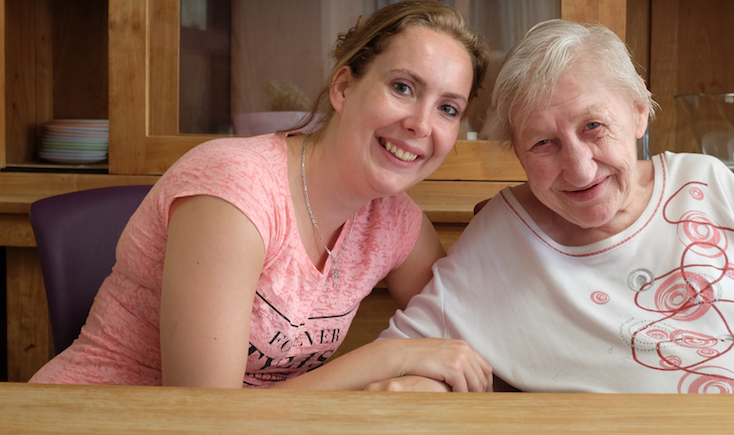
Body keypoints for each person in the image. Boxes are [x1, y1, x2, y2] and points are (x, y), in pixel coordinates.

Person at [376, 19, 734, 394]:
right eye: (542, 143)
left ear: (638, 115)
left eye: (594, 127)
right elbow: (404, 357)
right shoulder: (499, 239)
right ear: (516, 152)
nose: (580, 168)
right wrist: (423, 386)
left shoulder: (705, 180)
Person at [29, 0, 494, 392]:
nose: (421, 124)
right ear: (344, 87)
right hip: (96, 415)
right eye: (402, 87)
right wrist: (387, 360)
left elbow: (472, 342)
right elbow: (208, 415)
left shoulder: (394, 221)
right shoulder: (236, 188)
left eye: (448, 109)